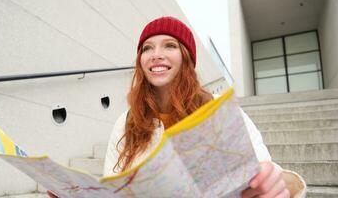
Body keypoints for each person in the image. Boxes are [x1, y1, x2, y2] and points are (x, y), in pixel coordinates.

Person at [103, 16, 306, 197]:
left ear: (186, 57)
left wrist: (275, 184)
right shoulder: (127, 121)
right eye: (147, 48)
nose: (156, 54)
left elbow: (262, 170)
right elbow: (112, 185)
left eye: (169, 45)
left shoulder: (219, 109)